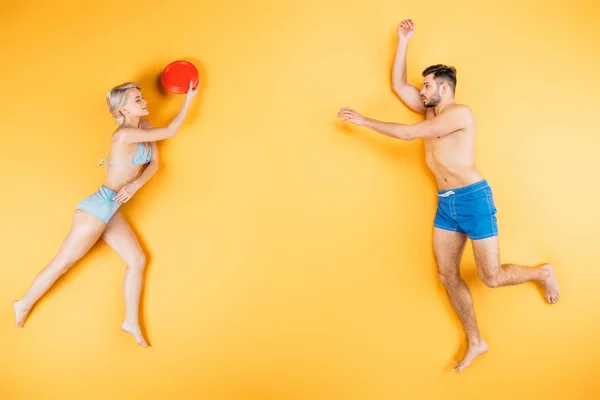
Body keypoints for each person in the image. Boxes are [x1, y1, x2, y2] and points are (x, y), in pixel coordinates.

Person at [336, 19, 560, 372]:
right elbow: (397, 84)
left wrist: (366, 121)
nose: (421, 91)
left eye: (426, 86)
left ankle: (542, 273)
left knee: (491, 277)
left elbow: (410, 135)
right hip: (447, 204)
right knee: (447, 275)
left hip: (473, 199)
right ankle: (476, 341)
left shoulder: (459, 114)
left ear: (443, 87)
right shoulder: (431, 109)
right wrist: (404, 40)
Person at [12, 80, 199, 347]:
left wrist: (135, 186)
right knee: (62, 264)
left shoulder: (143, 128)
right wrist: (189, 98)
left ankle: (130, 321)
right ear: (123, 109)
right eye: (137, 100)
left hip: (112, 209)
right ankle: (23, 303)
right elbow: (172, 130)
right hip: (98, 207)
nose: (144, 102)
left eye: (141, 97)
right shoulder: (123, 136)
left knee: (137, 259)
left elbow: (155, 164)